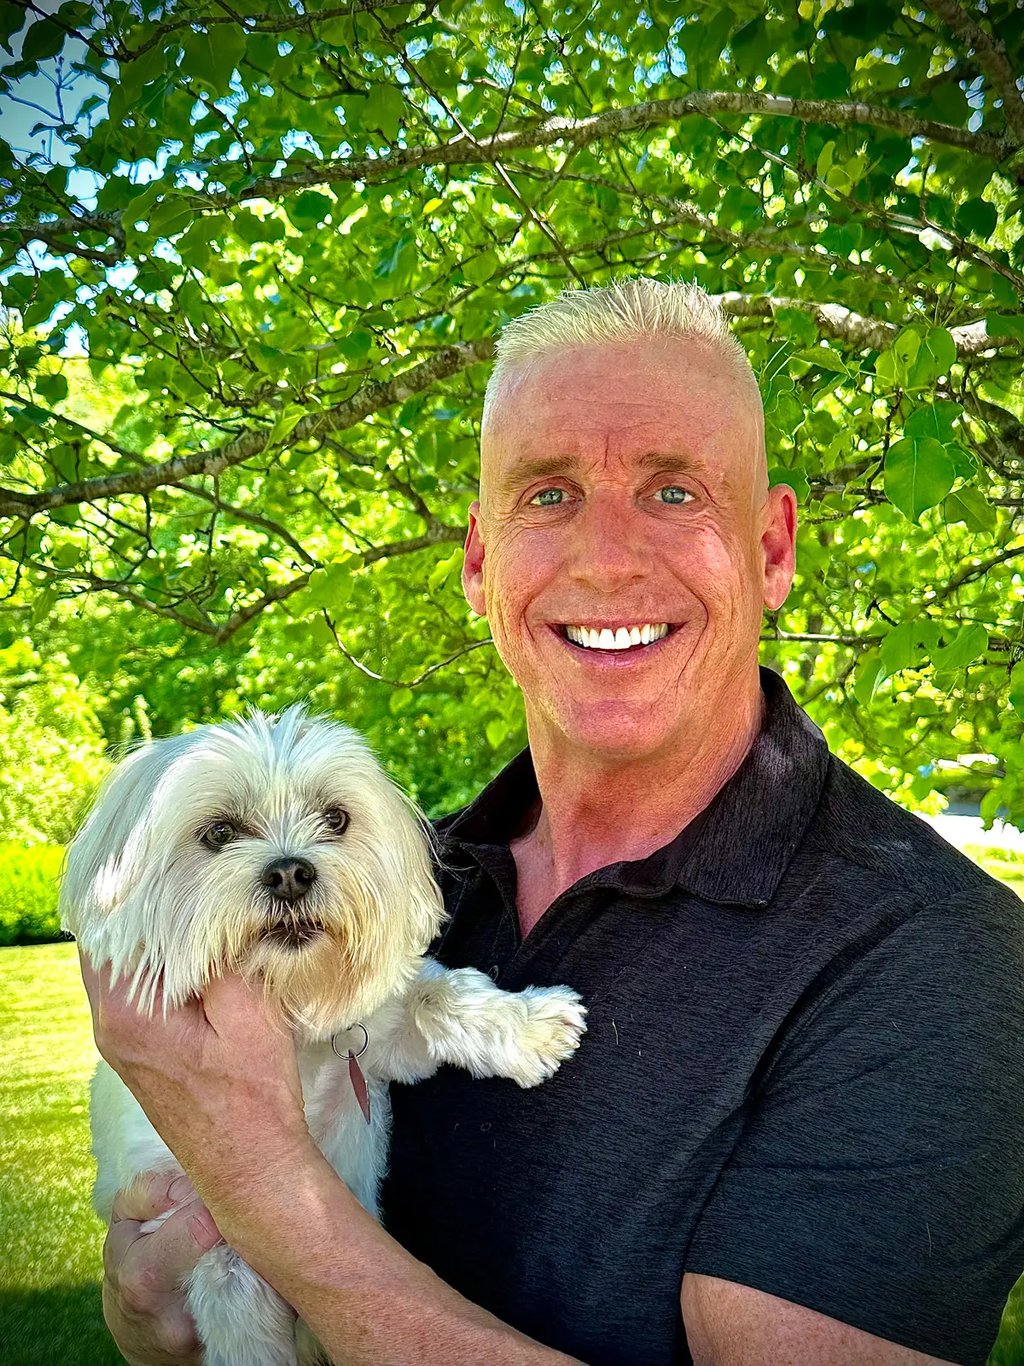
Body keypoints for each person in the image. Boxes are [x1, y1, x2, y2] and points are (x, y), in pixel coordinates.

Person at [82, 279, 1024, 1366]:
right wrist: (159, 1312)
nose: (606, 559)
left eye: (674, 493)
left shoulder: (940, 966)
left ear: (770, 549)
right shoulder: (393, 878)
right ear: (480, 563)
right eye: (547, 495)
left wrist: (266, 1196)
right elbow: (166, 1288)